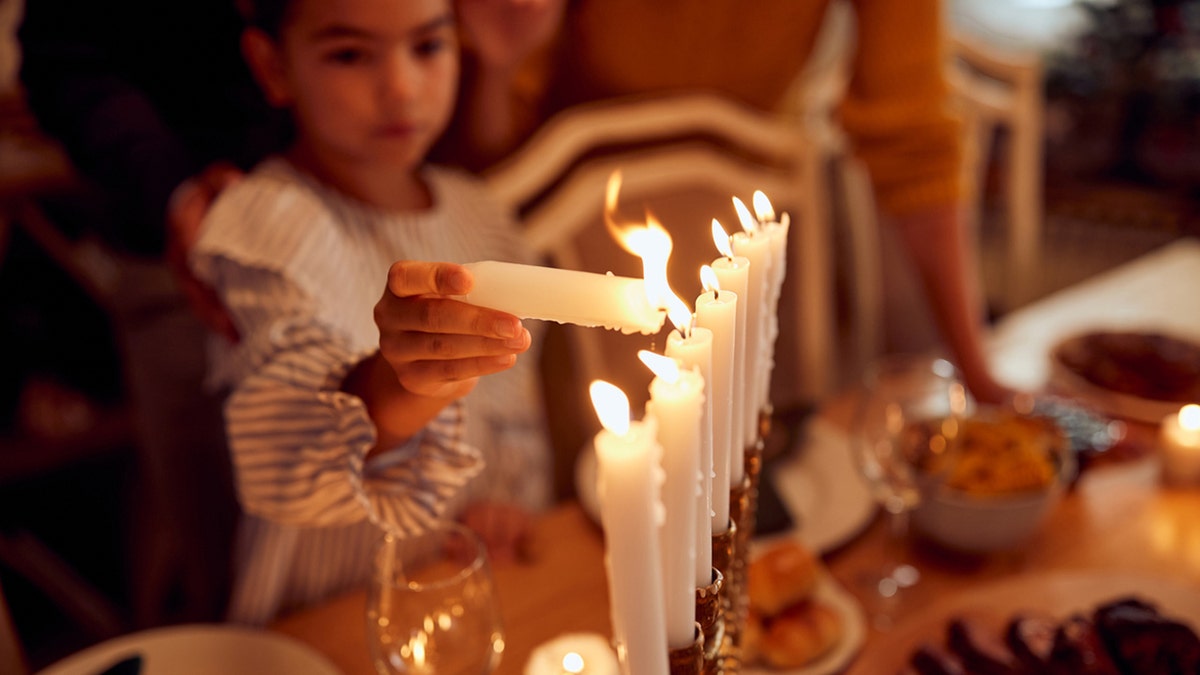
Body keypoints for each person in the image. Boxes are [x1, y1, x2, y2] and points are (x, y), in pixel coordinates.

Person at [435, 0, 1015, 406]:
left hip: (750, 226)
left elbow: (913, 140)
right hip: (549, 270)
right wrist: (498, 62)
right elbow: (488, 168)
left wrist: (980, 374)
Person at [187, 0, 555, 625]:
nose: (402, 89)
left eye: (428, 47)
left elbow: (514, 411)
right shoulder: (266, 222)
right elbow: (283, 441)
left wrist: (506, 501)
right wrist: (401, 380)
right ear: (273, 66)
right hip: (326, 612)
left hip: (461, 592)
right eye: (350, 54)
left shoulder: (480, 213)